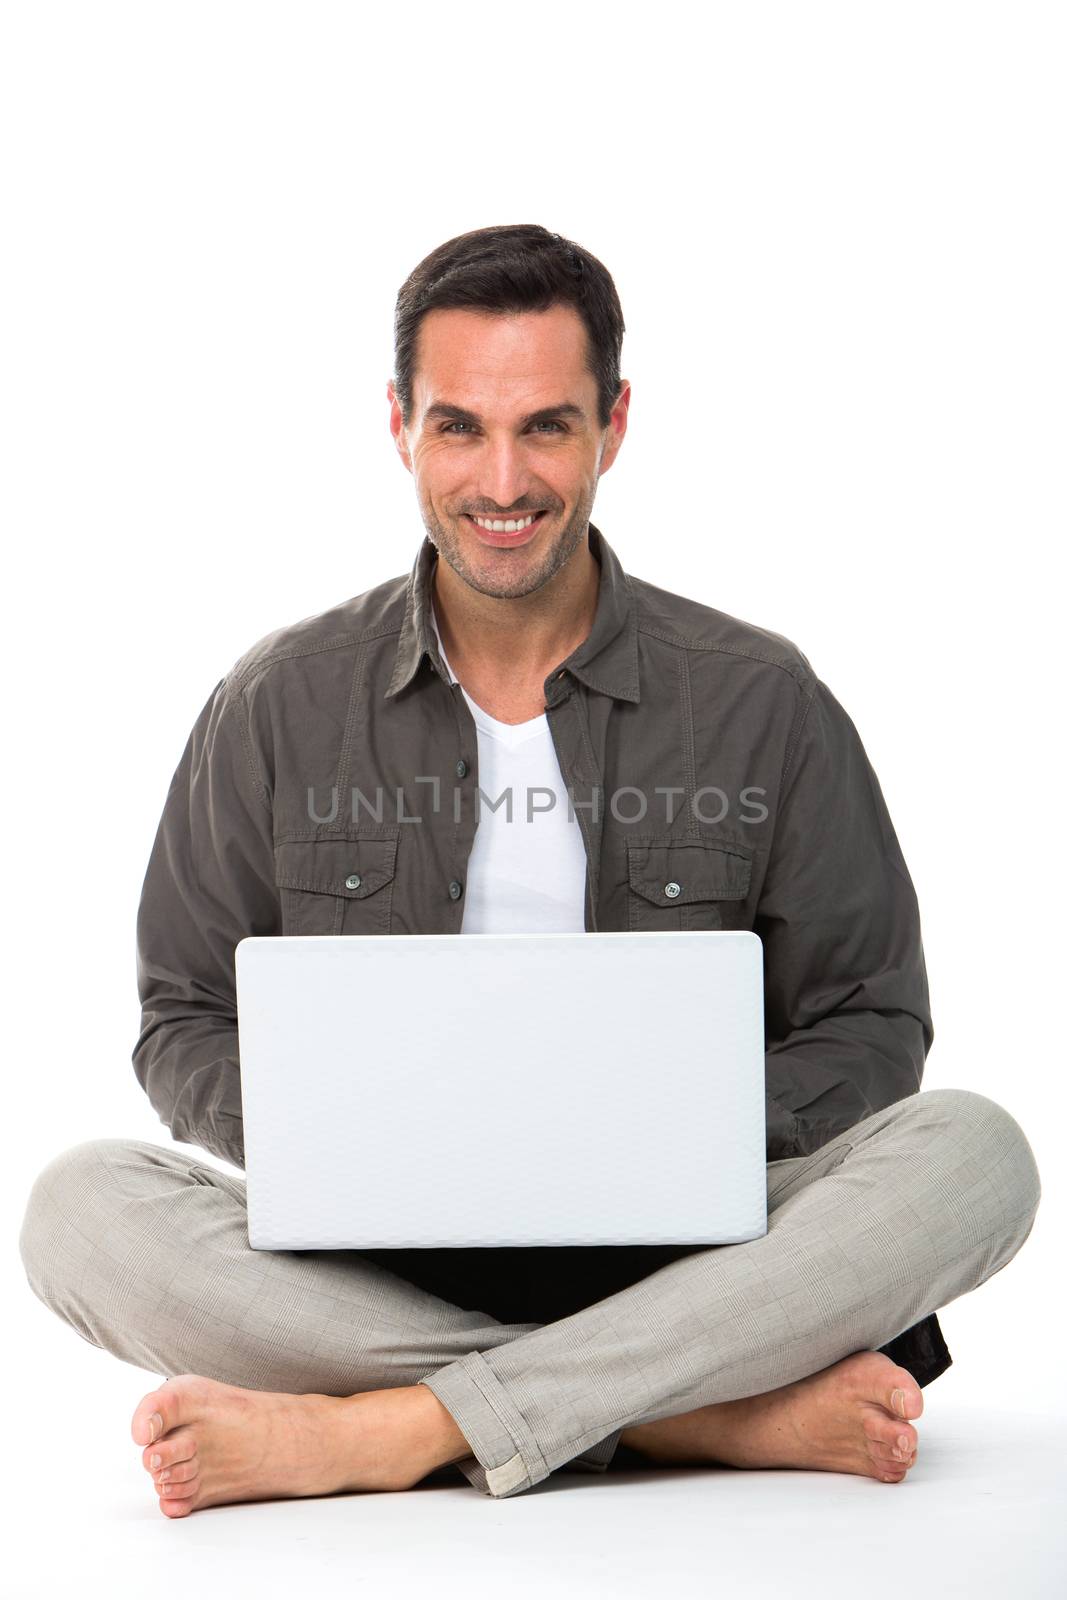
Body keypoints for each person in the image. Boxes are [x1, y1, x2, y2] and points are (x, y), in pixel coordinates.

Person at [19, 224, 1041, 1515]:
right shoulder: (279, 702)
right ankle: (685, 1417)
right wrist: (347, 1143)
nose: (503, 481)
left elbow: (876, 1020)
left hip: (687, 1257)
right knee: (77, 1211)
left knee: (979, 1154)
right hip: (373, 1264)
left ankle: (394, 1427)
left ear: (614, 425)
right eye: (461, 429)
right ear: (400, 427)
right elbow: (181, 1014)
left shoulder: (761, 699)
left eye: (547, 428)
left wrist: (683, 1135)